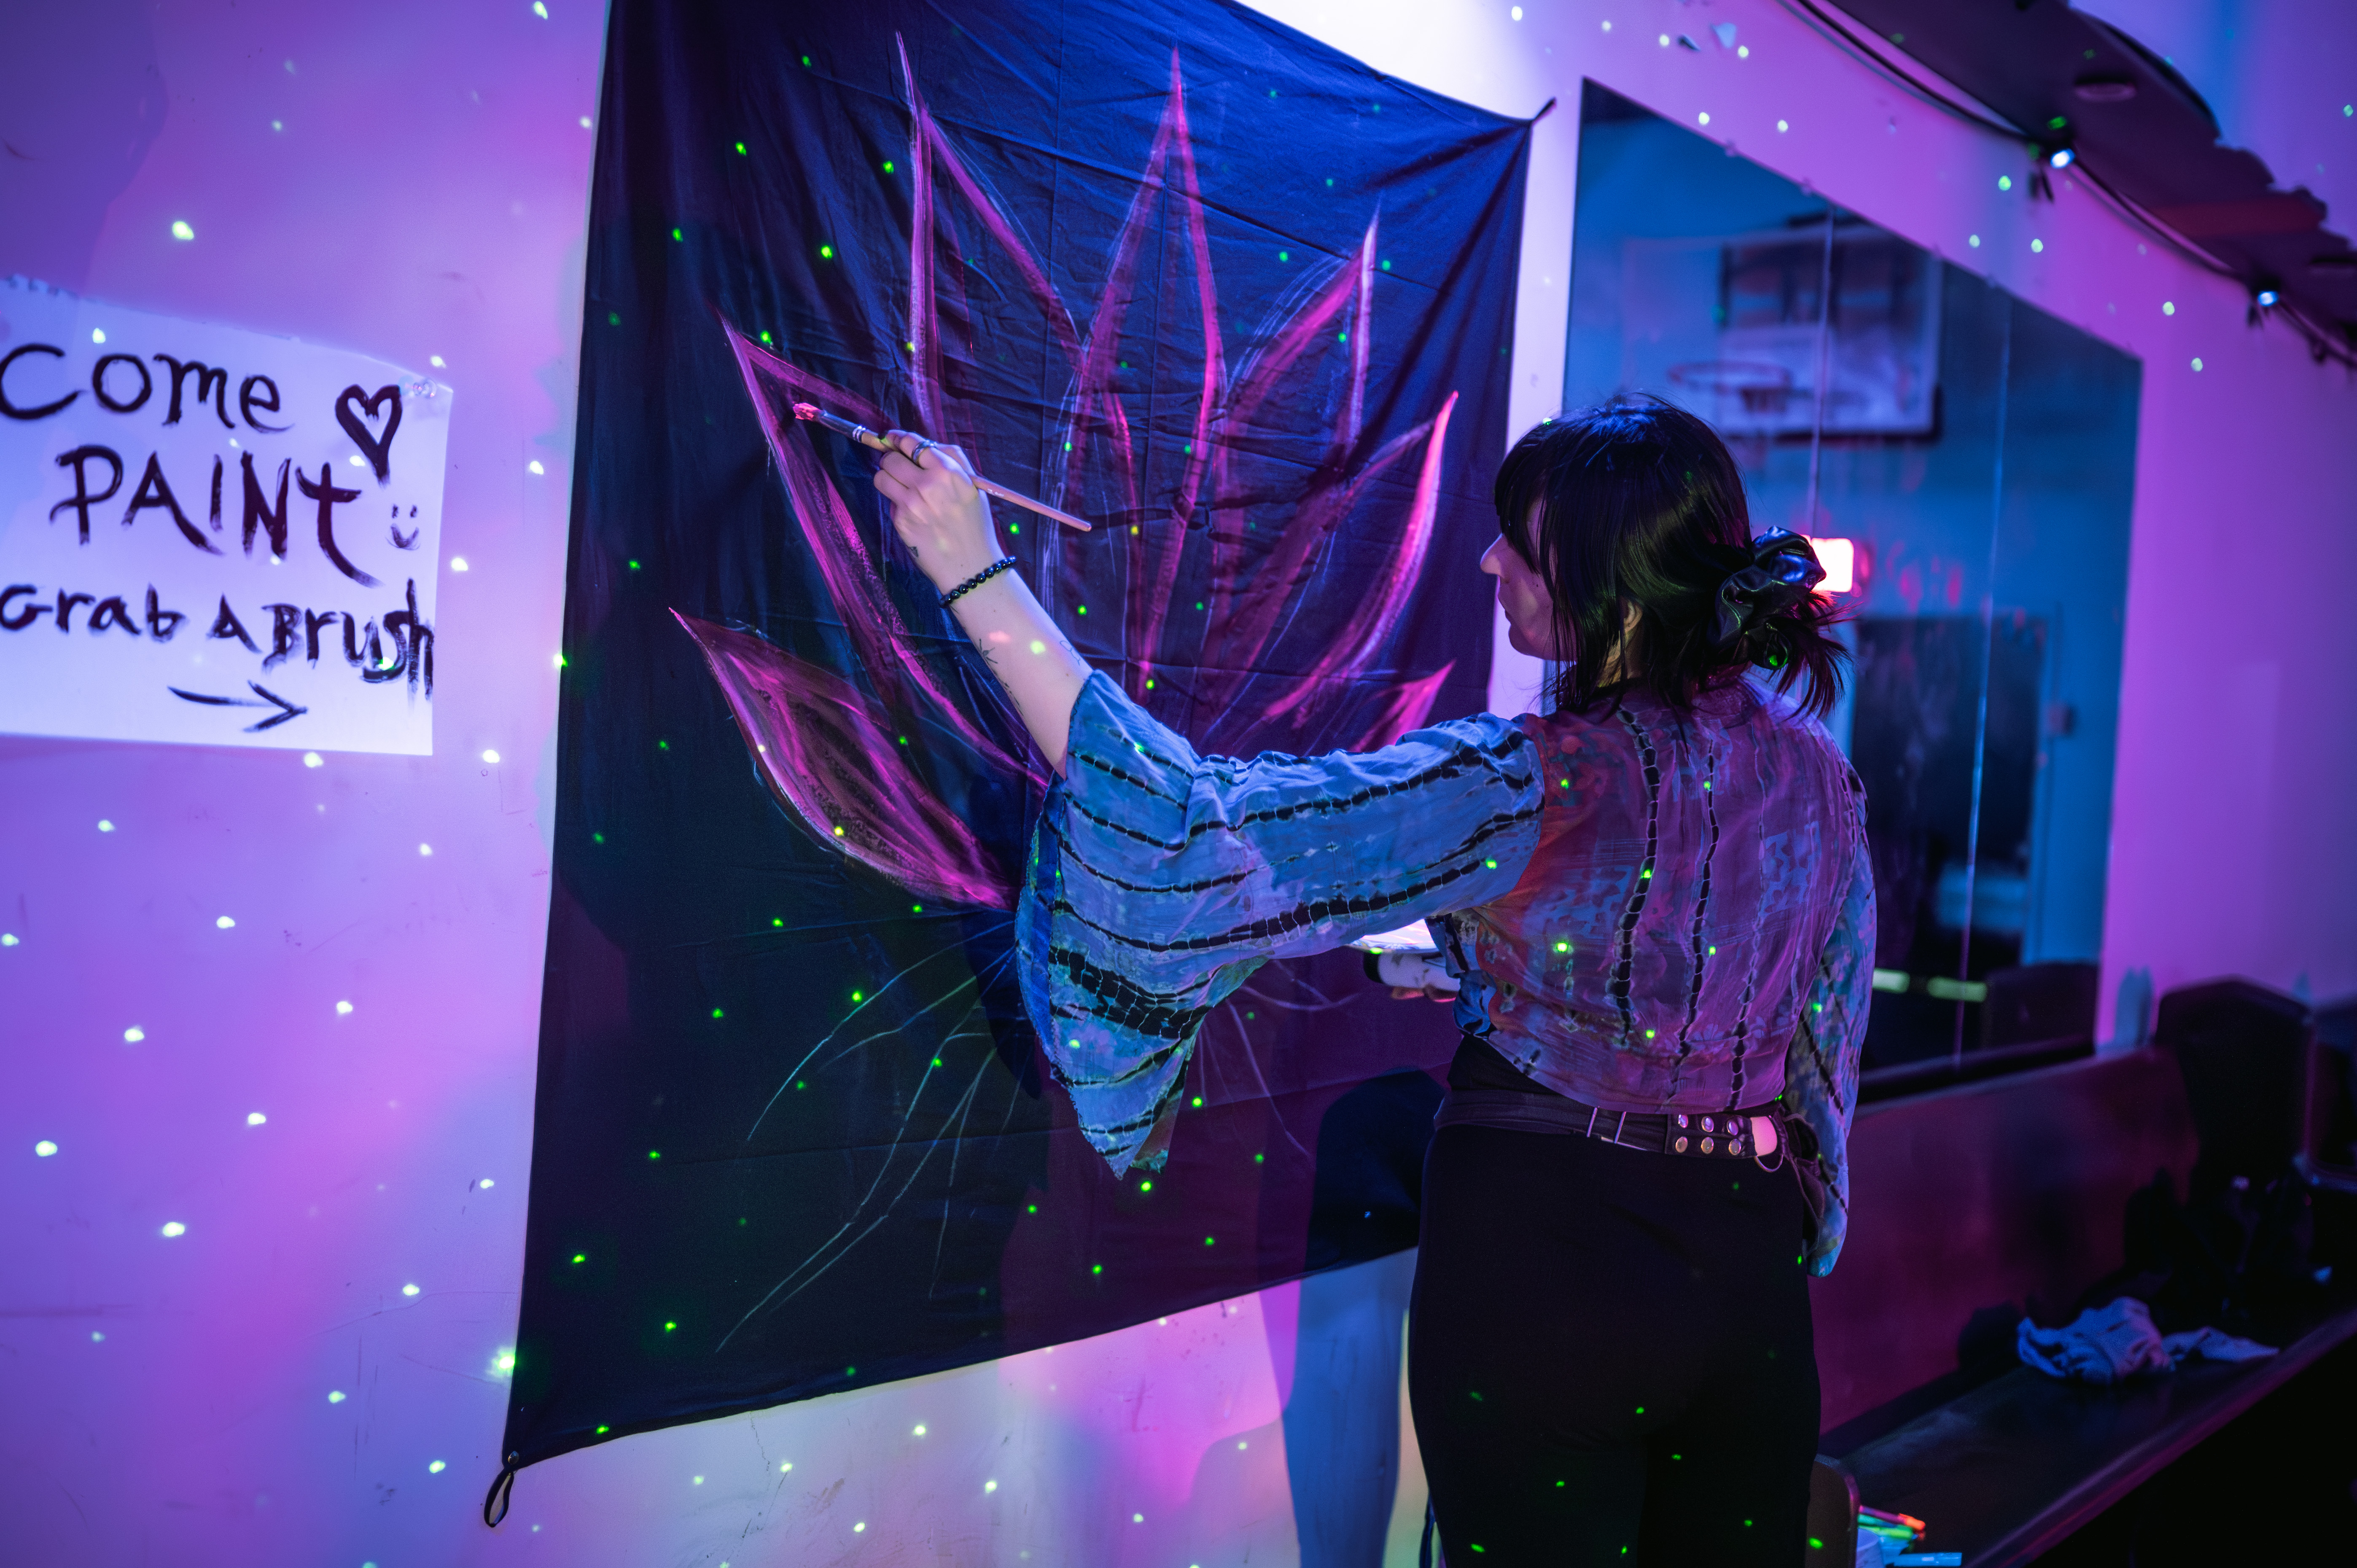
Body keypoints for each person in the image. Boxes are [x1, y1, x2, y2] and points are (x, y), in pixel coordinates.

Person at [873, 394, 1874, 1565]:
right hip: (1746, 1283)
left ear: (1599, 578)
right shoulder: (1815, 775)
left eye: (1520, 538)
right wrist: (1484, 966)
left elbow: (1196, 833)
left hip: (1551, 1270)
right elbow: (1808, 1030)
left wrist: (976, 573)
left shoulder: (1530, 780)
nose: (1491, 558)